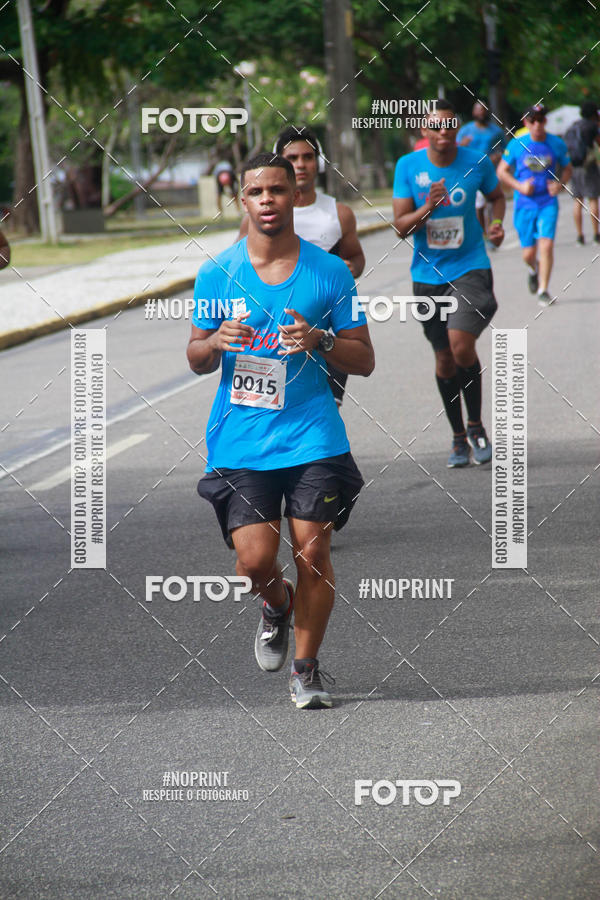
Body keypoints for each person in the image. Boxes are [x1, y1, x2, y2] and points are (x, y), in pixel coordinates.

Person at [188, 153, 374, 709]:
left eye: (277, 190)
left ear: (295, 195)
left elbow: (363, 359)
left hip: (314, 435)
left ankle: (306, 669)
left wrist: (319, 338)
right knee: (253, 560)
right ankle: (275, 604)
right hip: (241, 439)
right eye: (256, 192)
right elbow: (196, 356)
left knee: (313, 553)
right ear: (242, 201)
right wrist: (215, 342)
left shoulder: (329, 273)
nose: (267, 199)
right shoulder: (216, 273)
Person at [393, 98, 506, 468]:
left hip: (471, 267)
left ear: (457, 128)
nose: (444, 131)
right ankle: (458, 436)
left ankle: (476, 425)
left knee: (460, 346)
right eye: (436, 126)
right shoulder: (407, 166)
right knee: (443, 358)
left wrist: (496, 224)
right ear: (425, 132)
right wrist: (428, 205)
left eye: (450, 125)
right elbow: (401, 228)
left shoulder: (477, 160)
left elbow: (496, 197)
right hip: (427, 276)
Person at [238, 125, 365, 406]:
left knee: (326, 404)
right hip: (273, 334)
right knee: (270, 405)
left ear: (318, 162)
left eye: (308, 157)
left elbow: (356, 259)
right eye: (292, 158)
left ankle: (321, 444)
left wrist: (343, 269)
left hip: (325, 329)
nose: (301, 164)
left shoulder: (338, 213)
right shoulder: (258, 216)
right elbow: (239, 266)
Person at [497, 104, 572, 306]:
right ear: (526, 122)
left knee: (546, 246)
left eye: (541, 120)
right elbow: (502, 171)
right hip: (524, 203)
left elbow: (567, 168)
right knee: (528, 254)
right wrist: (519, 186)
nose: (538, 124)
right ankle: (533, 269)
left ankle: (543, 290)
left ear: (545, 121)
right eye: (533, 120)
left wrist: (560, 184)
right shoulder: (516, 144)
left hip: (547, 202)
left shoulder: (556, 143)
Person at [457, 100, 506, 238]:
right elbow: (456, 149)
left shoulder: (496, 131)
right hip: (472, 172)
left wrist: (498, 156)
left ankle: (493, 229)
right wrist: (462, 144)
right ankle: (482, 232)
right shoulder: (466, 131)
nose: (481, 112)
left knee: (492, 202)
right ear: (473, 112)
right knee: (479, 204)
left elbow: (504, 150)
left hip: (490, 170)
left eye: (484, 110)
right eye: (479, 110)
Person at [565, 101, 600, 244]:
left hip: (574, 166)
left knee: (577, 200)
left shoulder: (573, 126)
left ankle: (580, 235)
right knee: (592, 199)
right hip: (588, 165)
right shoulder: (592, 126)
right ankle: (596, 234)